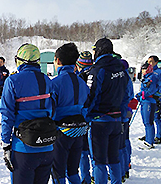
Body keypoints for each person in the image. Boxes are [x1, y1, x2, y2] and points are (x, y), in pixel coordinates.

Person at [0, 43, 55, 184]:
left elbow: (7, 115)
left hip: (24, 148)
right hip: (47, 147)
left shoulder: (12, 81)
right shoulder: (47, 80)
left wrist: (6, 144)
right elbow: (53, 109)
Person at [84, 38, 132, 184]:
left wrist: (85, 115)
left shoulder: (98, 69)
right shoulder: (122, 70)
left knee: (99, 161)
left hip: (100, 121)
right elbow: (127, 95)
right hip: (117, 120)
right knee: (113, 158)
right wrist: (122, 112)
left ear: (98, 50)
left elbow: (91, 96)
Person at [51, 43, 90, 184]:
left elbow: (51, 110)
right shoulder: (82, 83)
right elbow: (86, 107)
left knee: (58, 172)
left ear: (58, 61)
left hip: (61, 132)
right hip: (79, 131)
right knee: (73, 171)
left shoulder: (54, 83)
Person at [76, 51, 94, 184]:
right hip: (97, 116)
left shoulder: (80, 77)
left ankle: (85, 178)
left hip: (83, 117)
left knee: (83, 151)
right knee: (95, 152)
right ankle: (96, 177)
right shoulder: (97, 73)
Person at [136, 63, 158, 149]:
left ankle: (149, 141)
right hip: (145, 101)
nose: (142, 71)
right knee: (147, 121)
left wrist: (143, 94)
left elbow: (151, 90)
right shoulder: (146, 77)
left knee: (148, 121)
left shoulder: (152, 77)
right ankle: (149, 139)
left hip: (149, 101)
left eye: (144, 69)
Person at [146, 56, 161, 144]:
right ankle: (150, 135)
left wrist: (159, 98)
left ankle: (158, 136)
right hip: (149, 98)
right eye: (148, 62)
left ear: (156, 62)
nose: (149, 63)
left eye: (151, 61)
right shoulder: (148, 71)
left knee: (156, 117)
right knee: (149, 118)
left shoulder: (160, 72)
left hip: (156, 98)